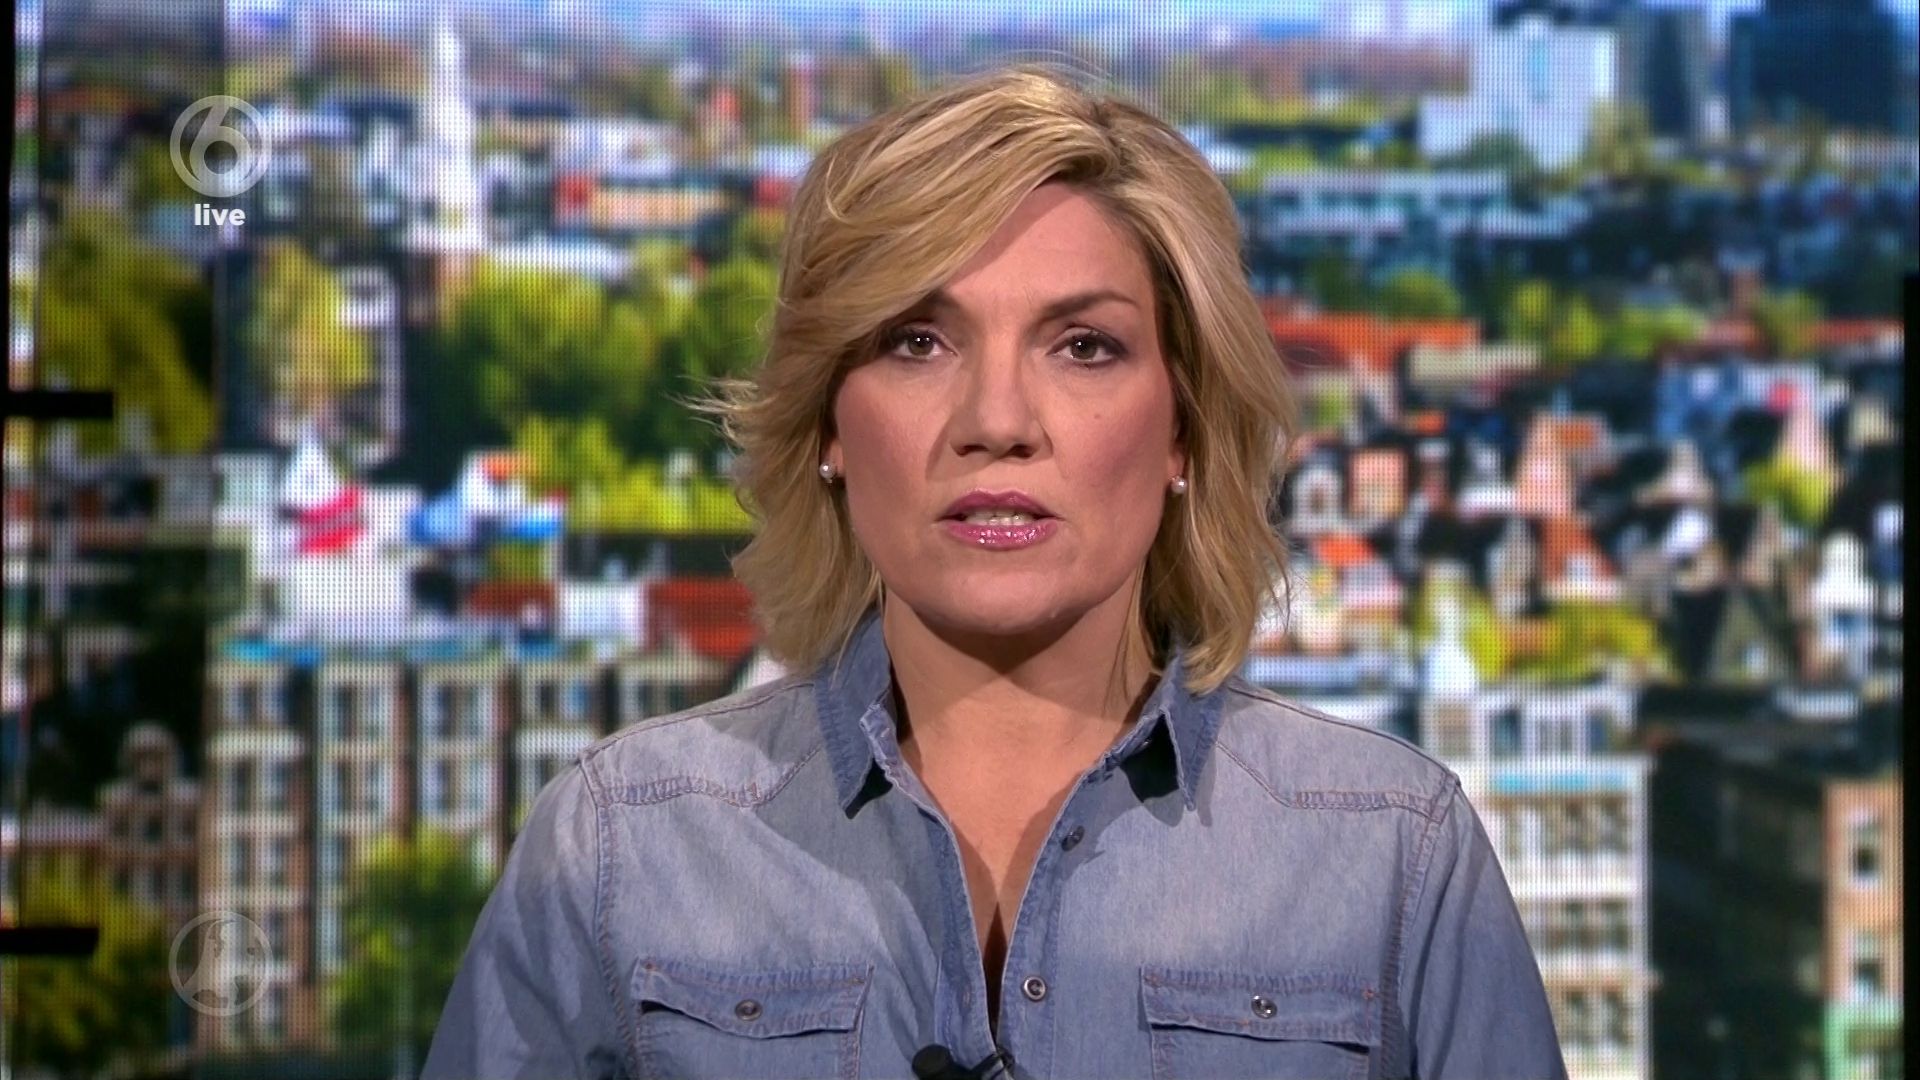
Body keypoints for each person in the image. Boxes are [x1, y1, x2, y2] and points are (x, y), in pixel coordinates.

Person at [423, 63, 1567, 1080]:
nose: (998, 421)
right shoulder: (620, 848)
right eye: (917, 342)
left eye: (1084, 346)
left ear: (1182, 429)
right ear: (827, 424)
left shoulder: (1392, 853)